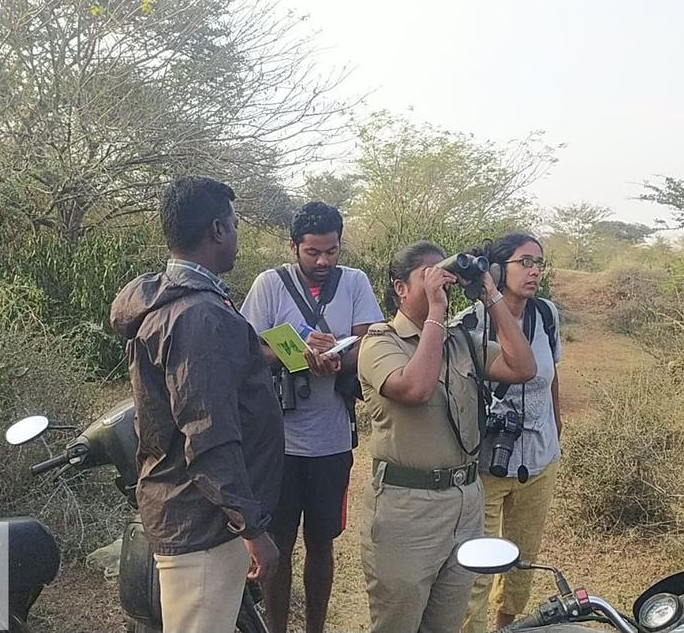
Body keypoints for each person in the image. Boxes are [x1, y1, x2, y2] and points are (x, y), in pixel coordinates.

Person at [109, 175, 282, 633]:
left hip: (193, 514)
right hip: (202, 522)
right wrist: (252, 528)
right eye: (234, 224)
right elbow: (209, 434)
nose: (237, 235)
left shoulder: (174, 302)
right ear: (217, 230)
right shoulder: (199, 315)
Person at [358, 240, 537, 633]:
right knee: (398, 624)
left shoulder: (461, 342)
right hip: (407, 509)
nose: (440, 281)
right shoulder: (378, 342)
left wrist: (491, 295)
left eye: (444, 273)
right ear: (400, 287)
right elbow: (416, 390)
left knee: (447, 623)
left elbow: (523, 367)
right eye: (427, 275)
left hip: (464, 502)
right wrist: (437, 311)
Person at [240, 201, 384, 633]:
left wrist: (340, 357)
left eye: (332, 251)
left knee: (322, 542)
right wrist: (295, 357)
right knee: (278, 543)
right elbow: (248, 349)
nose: (323, 261)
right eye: (313, 253)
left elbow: (369, 343)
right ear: (293, 247)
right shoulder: (270, 284)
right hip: (278, 442)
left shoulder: (355, 282)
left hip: (332, 439)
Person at [460, 233, 564, 633]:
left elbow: (552, 375)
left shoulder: (547, 315)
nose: (535, 270)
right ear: (498, 270)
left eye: (539, 262)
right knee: (479, 566)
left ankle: (506, 626)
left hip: (539, 458)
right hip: (487, 463)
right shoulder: (469, 323)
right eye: (525, 262)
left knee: (522, 556)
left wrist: (556, 424)